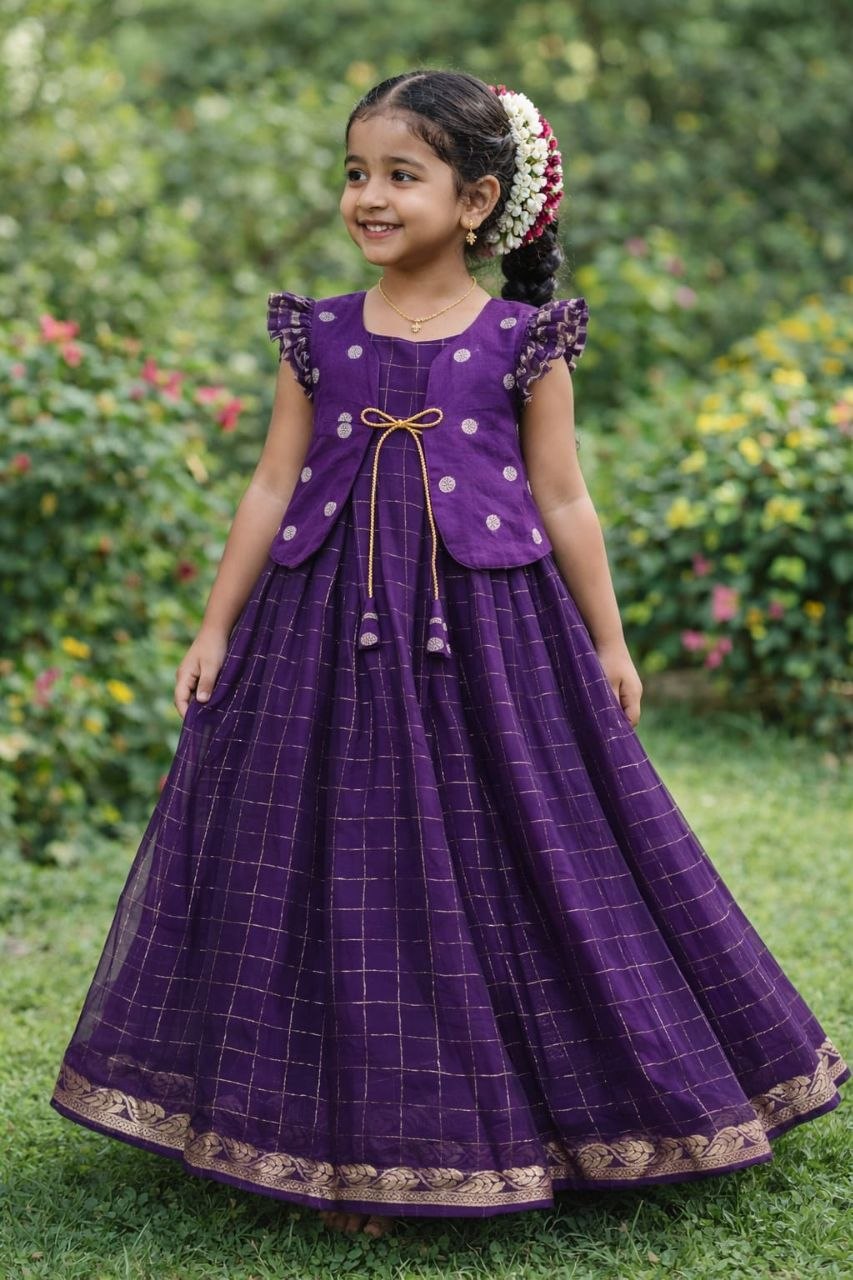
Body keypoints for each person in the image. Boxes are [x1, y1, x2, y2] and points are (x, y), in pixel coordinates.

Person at [49, 68, 849, 1240]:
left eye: (399, 175)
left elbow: (564, 499)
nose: (368, 196)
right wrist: (214, 625)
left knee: (519, 855)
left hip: (491, 638)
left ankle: (552, 1114)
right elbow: (271, 482)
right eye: (354, 173)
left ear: (476, 201)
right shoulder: (319, 332)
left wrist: (611, 640)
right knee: (335, 866)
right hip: (318, 634)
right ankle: (338, 1137)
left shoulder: (524, 341)